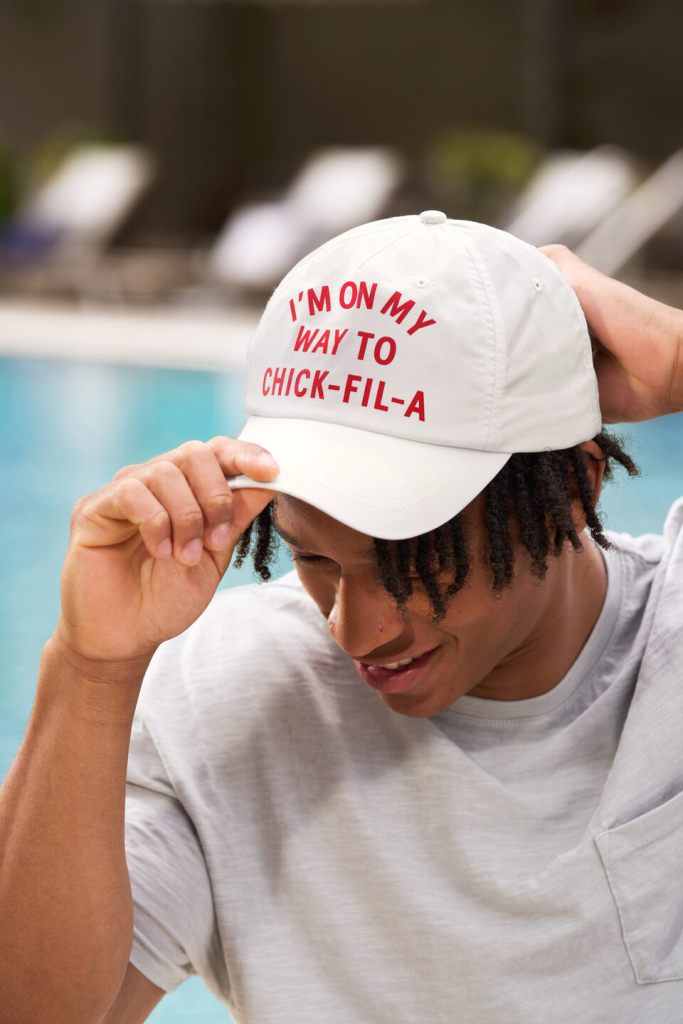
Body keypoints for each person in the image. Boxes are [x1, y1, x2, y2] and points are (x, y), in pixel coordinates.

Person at [1, 214, 681, 1024]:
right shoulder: (229, 695)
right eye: (312, 558)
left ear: (575, 489)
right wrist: (89, 667)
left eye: (411, 563)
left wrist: (675, 355)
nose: (354, 632)